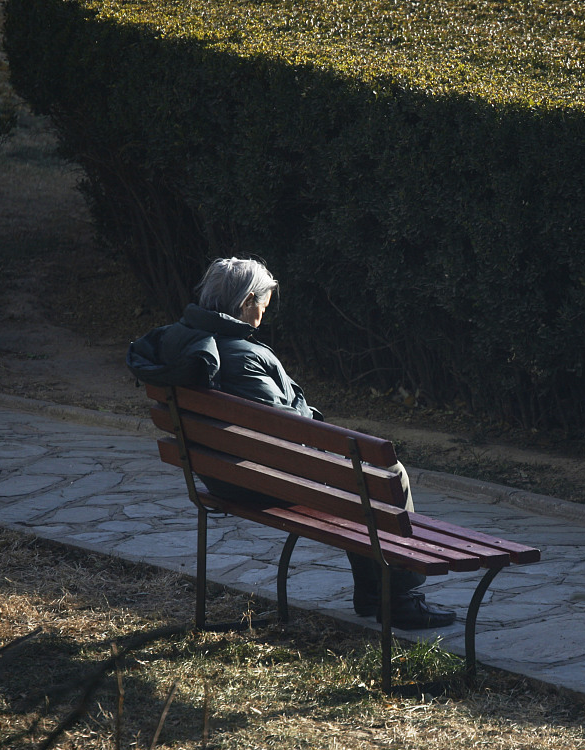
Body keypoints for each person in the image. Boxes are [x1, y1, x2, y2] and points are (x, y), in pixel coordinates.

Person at [129, 256, 455, 630]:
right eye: (262, 306)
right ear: (247, 301)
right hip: (263, 481)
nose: (262, 315)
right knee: (386, 473)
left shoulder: (176, 339)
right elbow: (288, 431)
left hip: (217, 472)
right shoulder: (244, 355)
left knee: (359, 480)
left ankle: (372, 593)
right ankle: (399, 598)